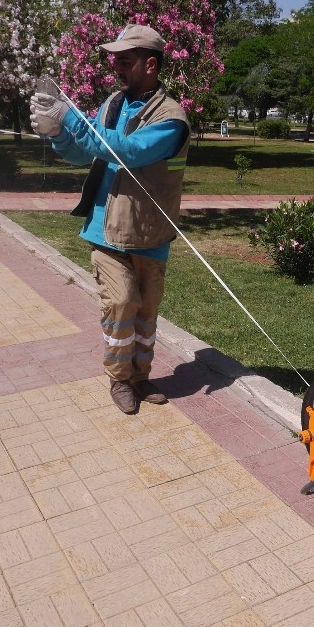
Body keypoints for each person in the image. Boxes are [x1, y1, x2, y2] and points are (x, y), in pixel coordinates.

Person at [29, 24, 189, 415]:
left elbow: (129, 151)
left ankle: (140, 376)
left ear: (150, 64)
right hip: (106, 229)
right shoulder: (112, 104)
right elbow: (88, 154)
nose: (114, 65)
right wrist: (58, 133)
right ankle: (120, 379)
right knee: (121, 304)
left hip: (150, 233)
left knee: (146, 314)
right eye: (112, 58)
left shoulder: (172, 118)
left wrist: (71, 118)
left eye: (124, 59)